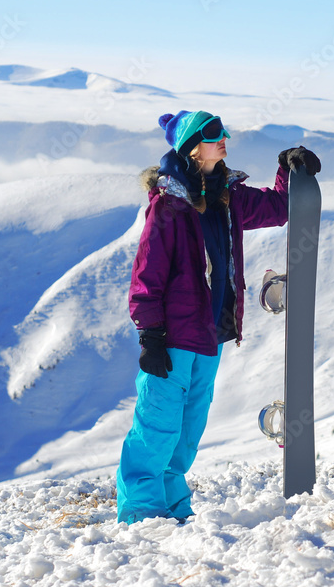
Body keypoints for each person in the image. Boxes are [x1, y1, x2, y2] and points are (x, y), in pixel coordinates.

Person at [116, 110, 321, 524]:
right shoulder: (169, 206)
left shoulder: (228, 195)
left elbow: (279, 209)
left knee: (187, 433)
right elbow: (147, 273)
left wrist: (289, 169)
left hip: (208, 334)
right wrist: (150, 336)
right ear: (191, 148)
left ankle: (172, 509)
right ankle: (140, 514)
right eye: (213, 135)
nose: (224, 139)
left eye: (224, 132)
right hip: (171, 337)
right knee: (156, 427)